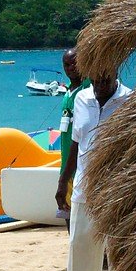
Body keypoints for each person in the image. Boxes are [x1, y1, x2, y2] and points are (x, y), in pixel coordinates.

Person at [56, 66, 133, 271]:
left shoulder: (130, 100)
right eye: (97, 79)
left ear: (115, 73)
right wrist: (62, 181)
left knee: (120, 253)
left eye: (106, 78)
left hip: (117, 191)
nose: (100, 83)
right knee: (80, 249)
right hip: (84, 189)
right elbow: (77, 143)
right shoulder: (81, 99)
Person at [55, 49, 85, 217]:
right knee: (67, 214)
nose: (70, 68)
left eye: (74, 63)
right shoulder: (67, 92)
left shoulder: (89, 88)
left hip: (81, 168)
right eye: (66, 65)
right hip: (66, 167)